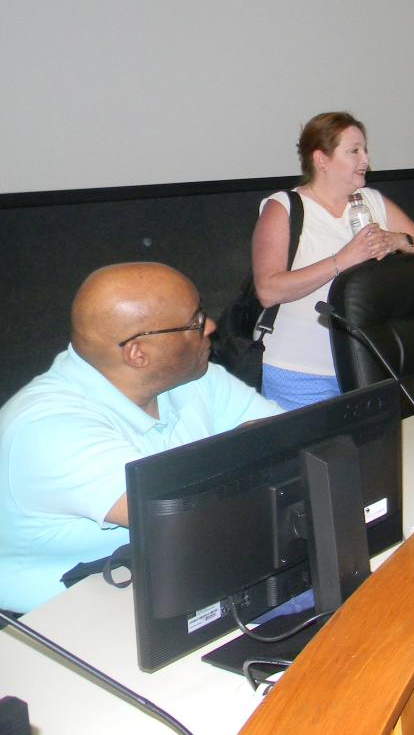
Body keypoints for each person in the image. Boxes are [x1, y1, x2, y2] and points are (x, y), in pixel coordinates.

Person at [0, 263, 284, 615]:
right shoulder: (48, 430)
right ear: (138, 353)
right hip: (55, 623)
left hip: (168, 581)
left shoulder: (196, 377)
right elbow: (187, 519)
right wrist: (242, 456)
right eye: (195, 322)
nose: (210, 327)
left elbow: (290, 440)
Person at [252, 112, 414, 410]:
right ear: (321, 159)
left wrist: (399, 241)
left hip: (368, 366)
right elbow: (268, 290)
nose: (365, 159)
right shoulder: (284, 207)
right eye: (354, 150)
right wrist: (342, 260)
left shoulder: (374, 201)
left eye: (365, 150)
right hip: (300, 374)